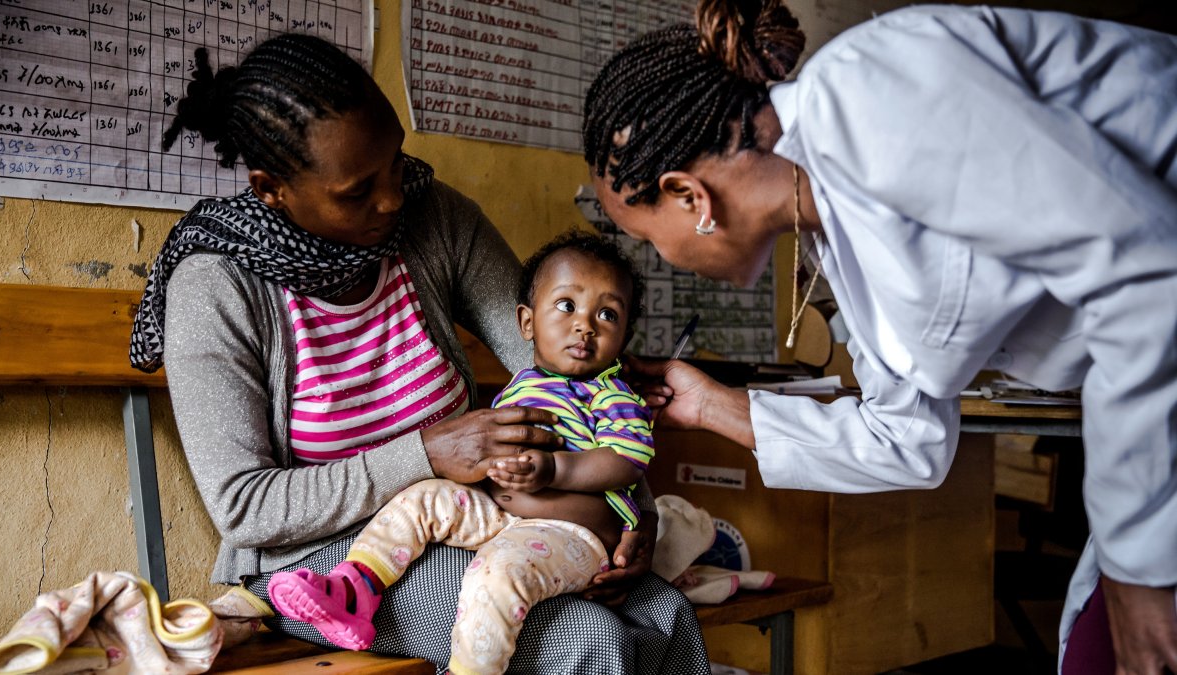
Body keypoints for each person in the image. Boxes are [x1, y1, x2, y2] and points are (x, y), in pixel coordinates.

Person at [581, 1, 1177, 674]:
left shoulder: (871, 97)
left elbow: (1148, 273)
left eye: (645, 238)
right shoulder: (830, 226)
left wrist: (1139, 573)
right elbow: (912, 443)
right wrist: (712, 406)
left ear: (690, 196)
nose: (659, 259)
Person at [130, 33, 709, 674]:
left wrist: (636, 514)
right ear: (272, 189)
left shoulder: (433, 219)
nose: (393, 199)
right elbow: (245, 507)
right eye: (357, 191)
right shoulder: (218, 285)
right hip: (324, 561)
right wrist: (429, 453)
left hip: (478, 514)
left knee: (659, 605)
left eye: (396, 165)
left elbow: (564, 373)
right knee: (582, 638)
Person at [265, 231, 656, 674]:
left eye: (607, 314)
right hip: (498, 514)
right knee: (422, 497)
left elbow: (626, 460)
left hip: (570, 534)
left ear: (623, 338)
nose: (585, 325)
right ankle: (355, 587)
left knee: (495, 575)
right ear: (527, 323)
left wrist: (554, 468)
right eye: (566, 306)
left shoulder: (611, 394)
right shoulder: (526, 380)